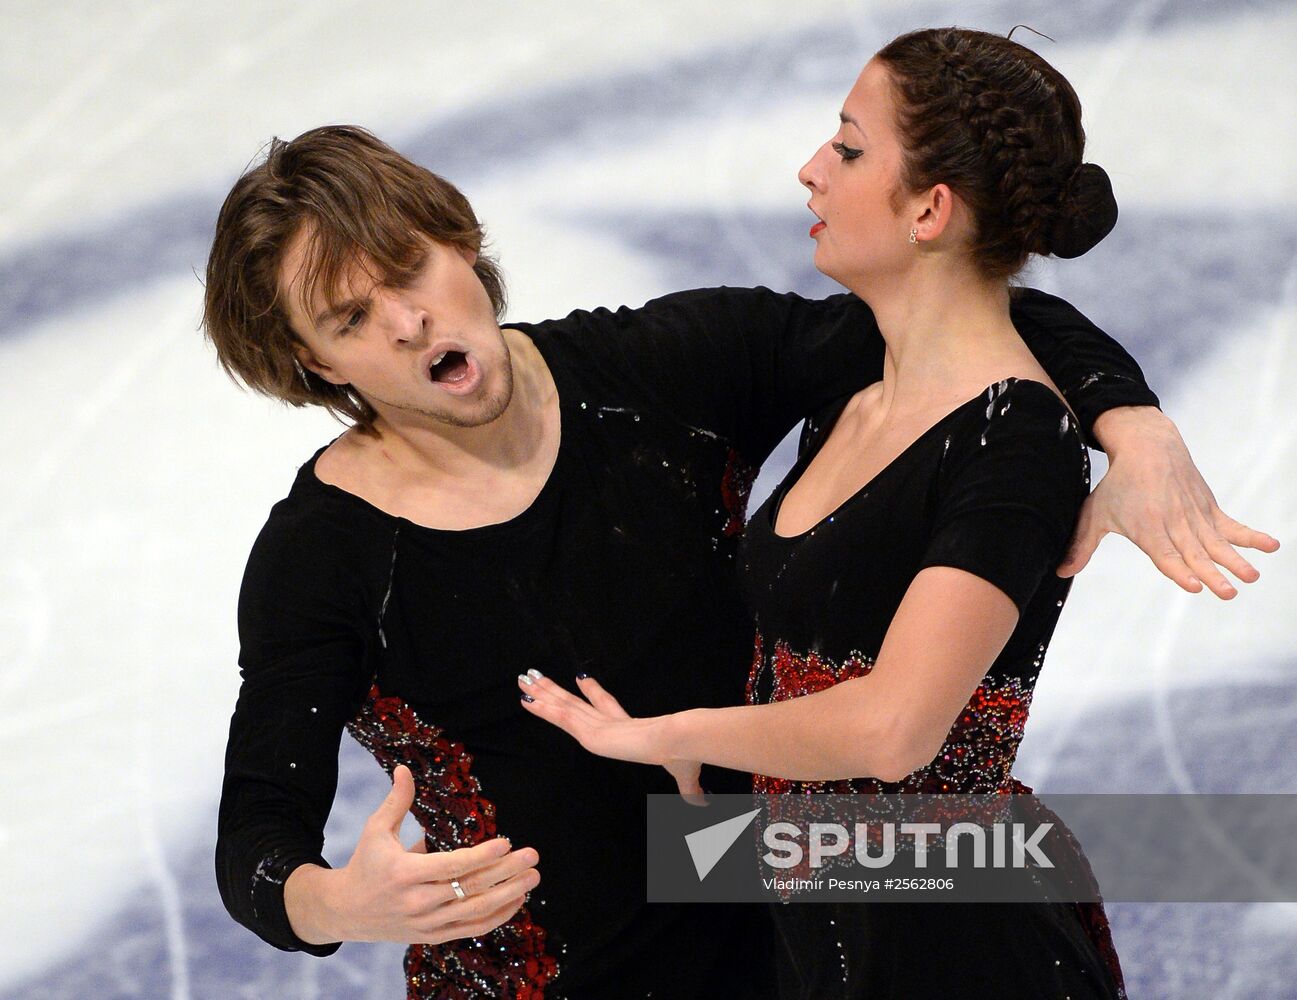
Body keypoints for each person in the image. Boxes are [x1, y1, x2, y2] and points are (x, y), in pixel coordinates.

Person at [203, 123, 1273, 998]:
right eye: (352, 318)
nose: (406, 320)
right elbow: (258, 829)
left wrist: (1135, 429)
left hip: (790, 906)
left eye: (409, 269)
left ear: (454, 238)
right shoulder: (321, 556)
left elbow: (978, 324)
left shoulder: (658, 371)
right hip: (558, 972)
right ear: (313, 362)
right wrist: (334, 903)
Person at [516, 26, 1280, 1000]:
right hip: (828, 907)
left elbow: (894, 731)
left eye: (845, 147)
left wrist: (676, 733)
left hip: (957, 942)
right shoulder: (851, 392)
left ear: (929, 207)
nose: (808, 172)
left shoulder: (1014, 439)